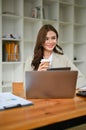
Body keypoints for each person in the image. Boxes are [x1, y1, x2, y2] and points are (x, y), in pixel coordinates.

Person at [25, 24, 86, 89]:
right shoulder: (30, 60)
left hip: (59, 96)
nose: (50, 42)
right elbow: (26, 87)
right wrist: (38, 74)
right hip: (39, 97)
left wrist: (64, 87)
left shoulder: (63, 59)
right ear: (41, 40)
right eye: (46, 39)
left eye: (53, 38)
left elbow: (82, 79)